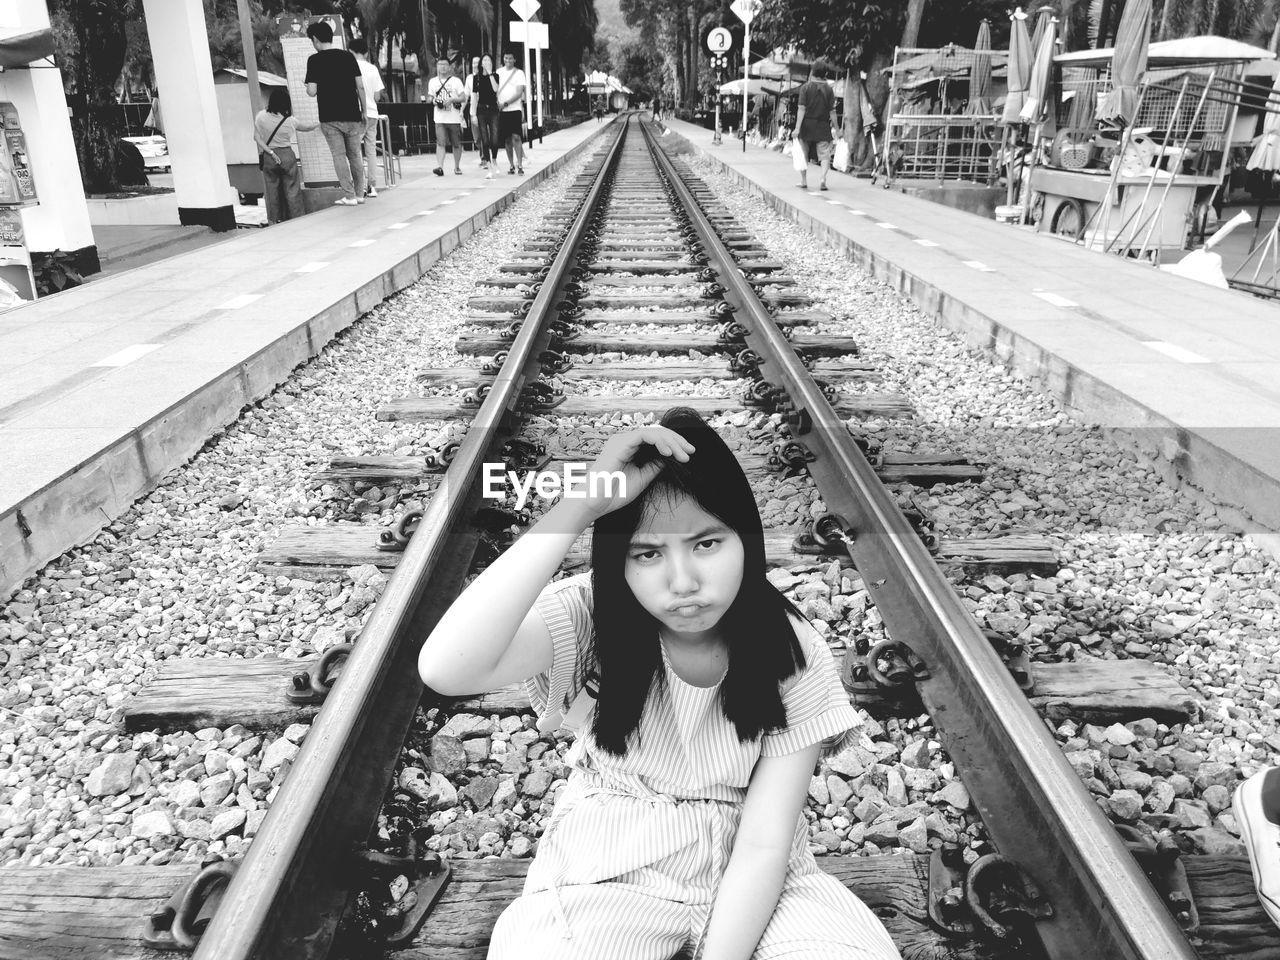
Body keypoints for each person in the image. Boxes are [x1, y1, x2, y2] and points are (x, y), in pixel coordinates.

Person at [419, 407, 903, 960]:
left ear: (745, 538)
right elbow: (446, 667)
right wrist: (583, 504)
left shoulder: (790, 648)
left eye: (706, 544)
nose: (683, 582)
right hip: (610, 869)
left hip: (761, 877)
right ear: (619, 562)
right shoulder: (589, 616)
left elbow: (766, 845)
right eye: (648, 553)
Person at [304, 20, 367, 205]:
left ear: (315, 39)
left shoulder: (314, 60)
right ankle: (360, 195)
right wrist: (364, 110)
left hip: (329, 116)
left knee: (339, 156)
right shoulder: (348, 57)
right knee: (355, 155)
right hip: (352, 114)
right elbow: (360, 87)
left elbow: (312, 91)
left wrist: (306, 85)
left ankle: (349, 196)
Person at [254, 87, 318, 224]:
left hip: (269, 157)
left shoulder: (260, 117)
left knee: (272, 190)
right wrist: (318, 124)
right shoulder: (291, 121)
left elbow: (257, 138)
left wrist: (270, 152)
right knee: (292, 188)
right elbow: (307, 127)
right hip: (286, 155)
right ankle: (297, 218)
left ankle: (273, 220)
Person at [349, 37, 385, 198]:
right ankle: (372, 186)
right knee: (371, 151)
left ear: (350, 51)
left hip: (357, 114)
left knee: (355, 151)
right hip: (373, 114)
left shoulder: (350, 67)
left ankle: (360, 186)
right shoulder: (373, 69)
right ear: (366, 52)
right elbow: (377, 96)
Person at [794, 59, 836, 191]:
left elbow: (801, 109)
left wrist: (797, 128)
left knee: (803, 155)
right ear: (825, 73)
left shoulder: (805, 88)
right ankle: (823, 178)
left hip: (806, 126)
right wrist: (838, 128)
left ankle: (803, 180)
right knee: (824, 155)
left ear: (813, 71)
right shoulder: (829, 90)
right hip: (823, 126)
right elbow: (832, 111)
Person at [428, 58, 466, 176]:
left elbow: (463, 97)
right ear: (437, 66)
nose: (442, 67)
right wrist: (434, 101)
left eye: (445, 64)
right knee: (440, 142)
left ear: (450, 67)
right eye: (440, 64)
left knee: (456, 143)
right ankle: (440, 167)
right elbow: (429, 97)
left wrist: (452, 99)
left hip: (453, 118)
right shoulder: (433, 81)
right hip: (439, 118)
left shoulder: (456, 81)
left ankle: (457, 166)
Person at [496, 50, 527, 175]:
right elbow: (494, 89)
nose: (508, 60)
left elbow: (519, 92)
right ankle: (511, 165)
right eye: (506, 58)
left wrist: (506, 103)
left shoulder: (519, 73)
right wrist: (498, 104)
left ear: (514, 60)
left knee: (516, 137)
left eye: (510, 58)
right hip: (502, 111)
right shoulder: (498, 72)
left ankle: (520, 164)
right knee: (507, 139)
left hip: (515, 109)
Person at [473, 54, 501, 180]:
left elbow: (495, 89)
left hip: (493, 109)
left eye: (489, 60)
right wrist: (473, 114)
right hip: (481, 110)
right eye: (484, 60)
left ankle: (494, 159)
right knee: (485, 139)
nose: (486, 62)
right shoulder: (476, 78)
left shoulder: (495, 76)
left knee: (494, 138)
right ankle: (489, 167)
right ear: (481, 63)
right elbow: (474, 97)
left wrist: (490, 74)